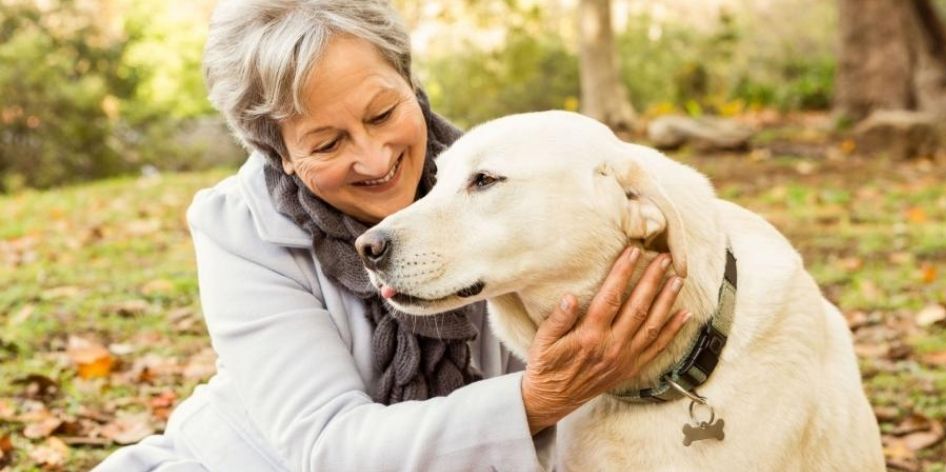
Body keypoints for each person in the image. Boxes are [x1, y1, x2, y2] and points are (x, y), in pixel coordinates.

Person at [95, 1, 690, 470]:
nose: (376, 158)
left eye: (383, 114)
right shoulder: (238, 229)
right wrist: (533, 402)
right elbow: (328, 449)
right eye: (327, 144)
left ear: (410, 83)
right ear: (279, 156)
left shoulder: (522, 177)